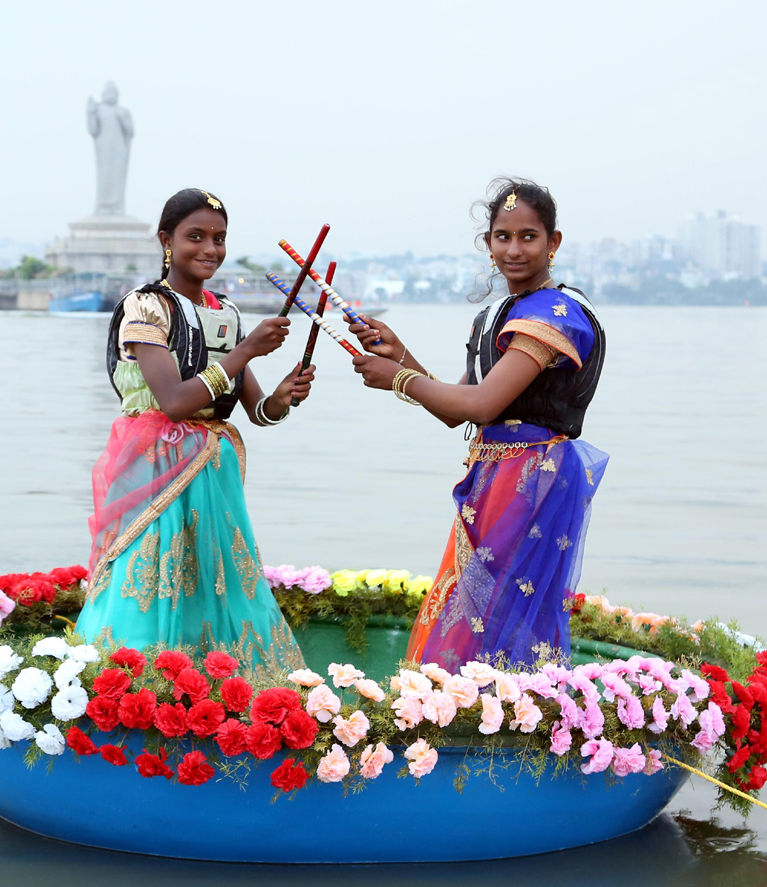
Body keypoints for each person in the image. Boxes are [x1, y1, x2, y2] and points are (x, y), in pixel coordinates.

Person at [347, 178, 606, 670]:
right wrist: (401, 355)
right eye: (502, 236)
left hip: (534, 477)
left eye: (528, 236)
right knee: (475, 605)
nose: (514, 249)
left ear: (553, 243)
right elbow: (456, 409)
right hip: (492, 474)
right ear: (487, 244)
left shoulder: (555, 315)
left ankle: (510, 716)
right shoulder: (495, 316)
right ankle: (469, 709)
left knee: (506, 610)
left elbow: (484, 405)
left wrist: (399, 379)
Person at [75, 188, 314, 672]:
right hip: (154, 464)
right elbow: (176, 402)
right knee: (147, 573)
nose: (210, 249)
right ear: (166, 241)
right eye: (196, 237)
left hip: (212, 469)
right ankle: (129, 685)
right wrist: (246, 352)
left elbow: (257, 412)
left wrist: (285, 394)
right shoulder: (145, 308)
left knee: (211, 580)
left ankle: (213, 684)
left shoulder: (225, 312)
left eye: (219, 239)